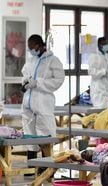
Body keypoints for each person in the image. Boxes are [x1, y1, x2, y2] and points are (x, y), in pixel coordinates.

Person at [21, 34, 65, 164]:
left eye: (31, 47)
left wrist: (38, 83)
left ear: (39, 46)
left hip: (43, 102)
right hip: (28, 102)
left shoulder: (53, 60)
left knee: (45, 132)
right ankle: (32, 164)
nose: (30, 50)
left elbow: (58, 80)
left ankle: (46, 166)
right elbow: (24, 73)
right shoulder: (31, 59)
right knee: (29, 133)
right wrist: (25, 81)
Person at [88, 37, 108, 109]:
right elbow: (91, 72)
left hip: (106, 85)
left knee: (106, 107)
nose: (106, 46)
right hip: (98, 86)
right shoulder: (94, 56)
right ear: (99, 45)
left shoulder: (107, 57)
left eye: (107, 44)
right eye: (104, 44)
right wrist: (103, 72)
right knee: (99, 107)